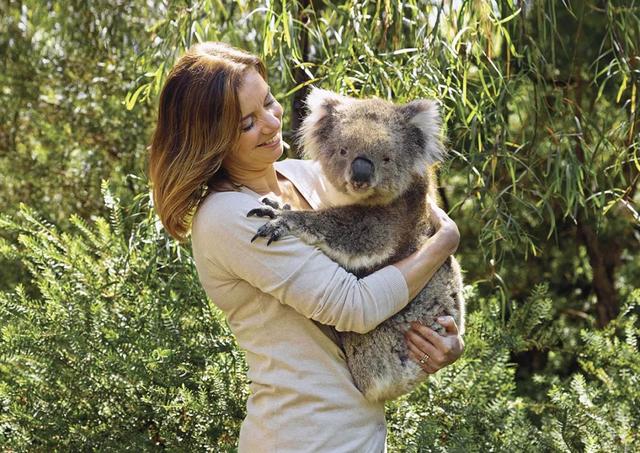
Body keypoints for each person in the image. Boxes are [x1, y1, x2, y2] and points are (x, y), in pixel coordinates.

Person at [148, 41, 464, 452]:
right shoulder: (229, 217)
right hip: (301, 436)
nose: (270, 122)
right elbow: (357, 306)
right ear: (212, 140)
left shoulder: (307, 176)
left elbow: (391, 232)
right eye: (247, 123)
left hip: (360, 433)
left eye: (269, 102)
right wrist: (444, 243)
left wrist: (442, 340)